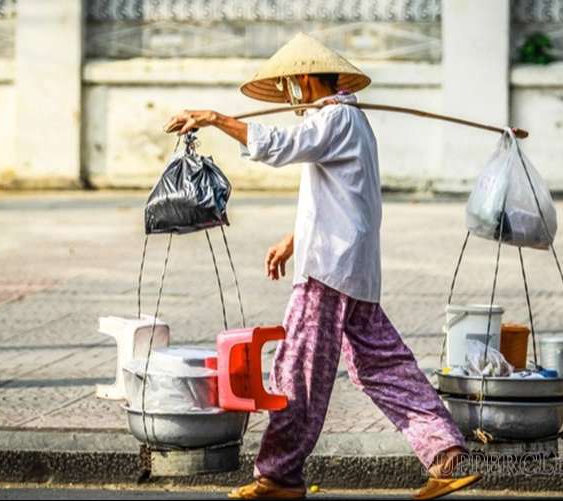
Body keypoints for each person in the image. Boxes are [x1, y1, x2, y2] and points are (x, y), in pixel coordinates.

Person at [164, 33, 479, 501]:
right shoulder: (348, 121)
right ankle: (446, 455)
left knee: (296, 372)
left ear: (307, 79)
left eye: (293, 84)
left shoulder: (335, 118)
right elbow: (341, 196)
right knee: (383, 366)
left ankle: (279, 477)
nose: (290, 94)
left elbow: (280, 145)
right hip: (352, 267)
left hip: (328, 271)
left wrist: (214, 118)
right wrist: (293, 240)